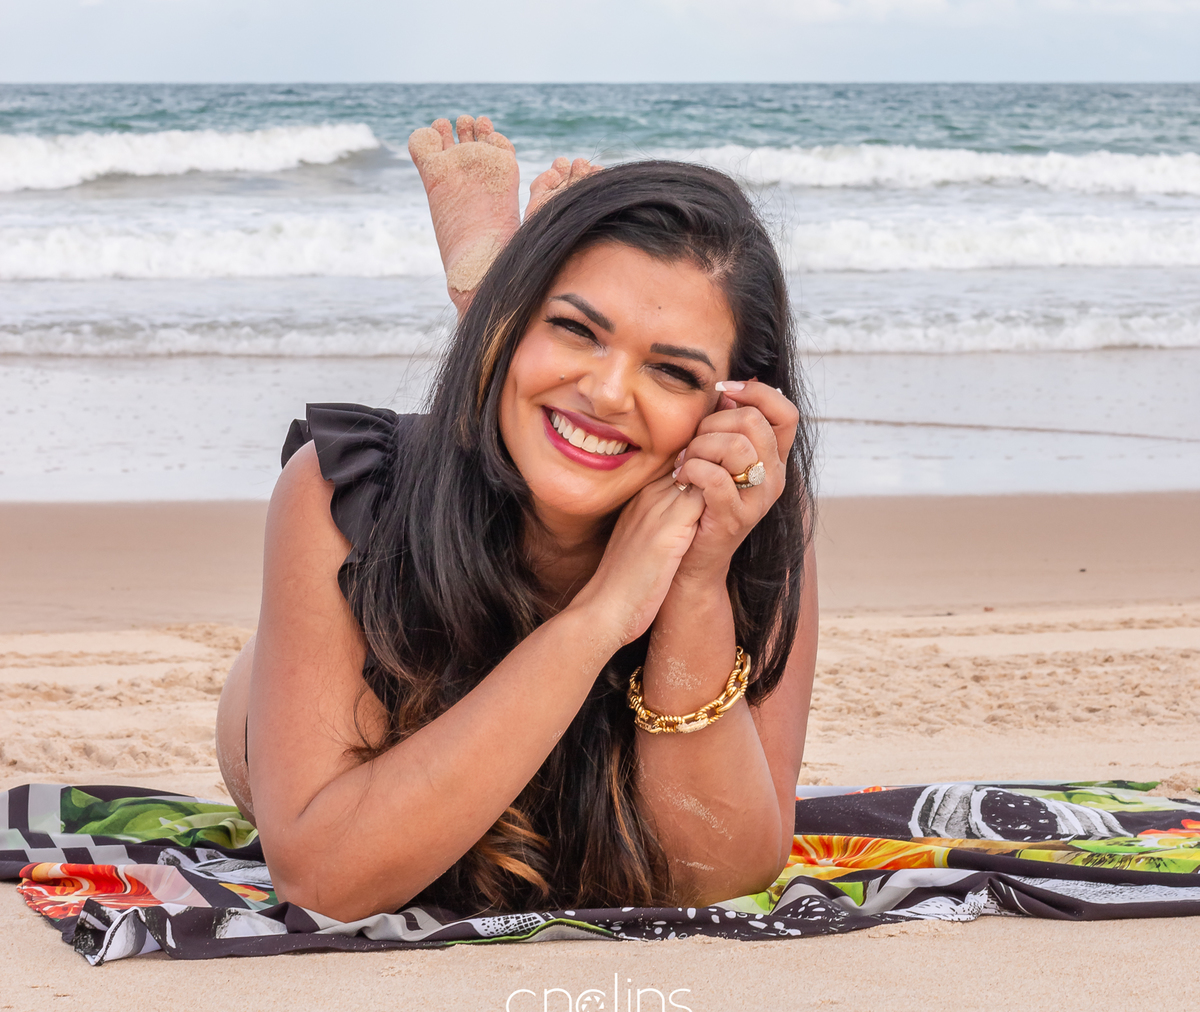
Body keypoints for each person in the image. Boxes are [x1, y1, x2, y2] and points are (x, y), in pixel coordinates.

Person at [215, 116, 818, 922]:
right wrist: (601, 615)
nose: (608, 393)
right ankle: (495, 307)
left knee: (565, 415)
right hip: (341, 643)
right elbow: (326, 881)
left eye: (672, 371)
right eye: (575, 328)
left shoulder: (750, 516)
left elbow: (722, 878)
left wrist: (697, 582)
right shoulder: (347, 492)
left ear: (732, 410)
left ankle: (505, 301)